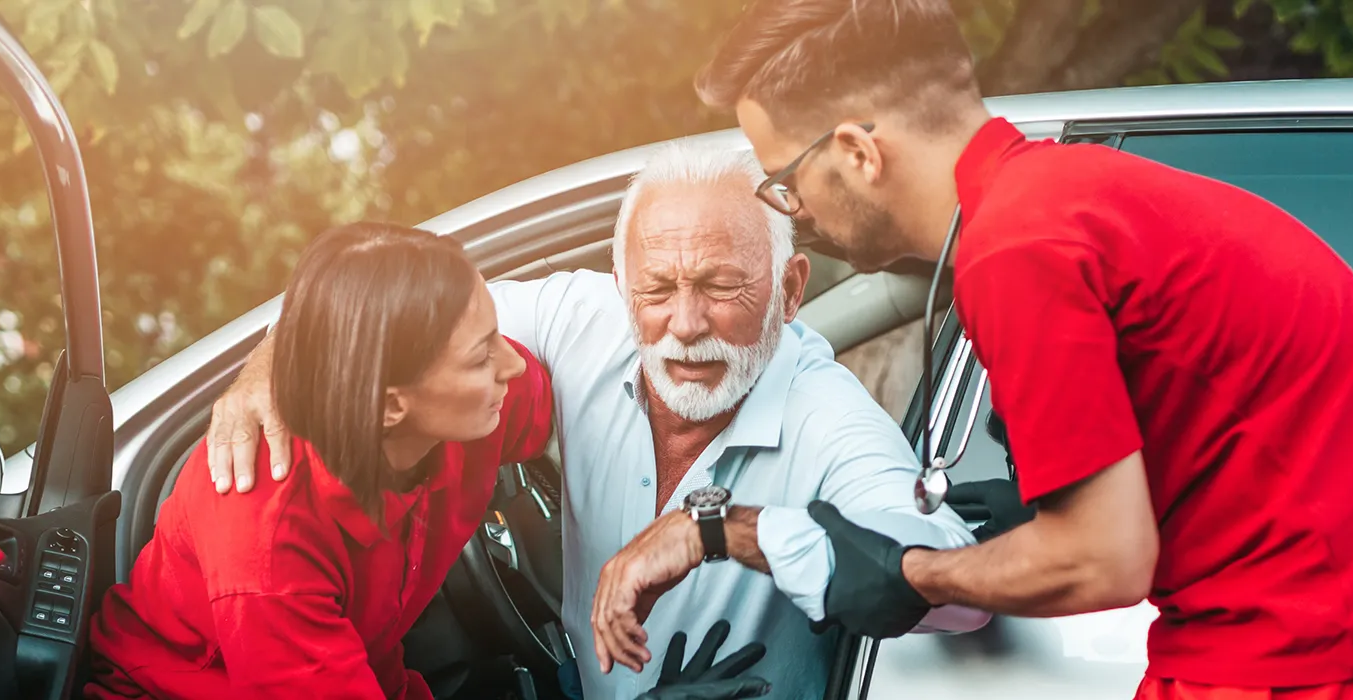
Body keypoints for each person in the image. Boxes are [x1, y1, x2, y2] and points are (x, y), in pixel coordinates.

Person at [695, 1, 1353, 698]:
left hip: (1296, 663)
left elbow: (1103, 560)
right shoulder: (1068, 199)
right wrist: (1033, 515)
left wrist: (903, 571)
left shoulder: (1017, 248)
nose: (795, 212)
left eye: (785, 181)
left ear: (858, 153)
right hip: (1342, 643)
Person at [207, 143, 986, 700]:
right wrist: (269, 366)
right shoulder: (583, 318)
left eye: (722, 286)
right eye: (657, 290)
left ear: (788, 289)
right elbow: (376, 312)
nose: (685, 324)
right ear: (620, 284)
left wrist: (725, 531)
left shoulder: (825, 414)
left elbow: (962, 585)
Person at [84, 223, 560, 699]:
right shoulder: (270, 536)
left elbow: (576, 398)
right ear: (391, 405)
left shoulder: (473, 405)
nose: (514, 364)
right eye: (480, 358)